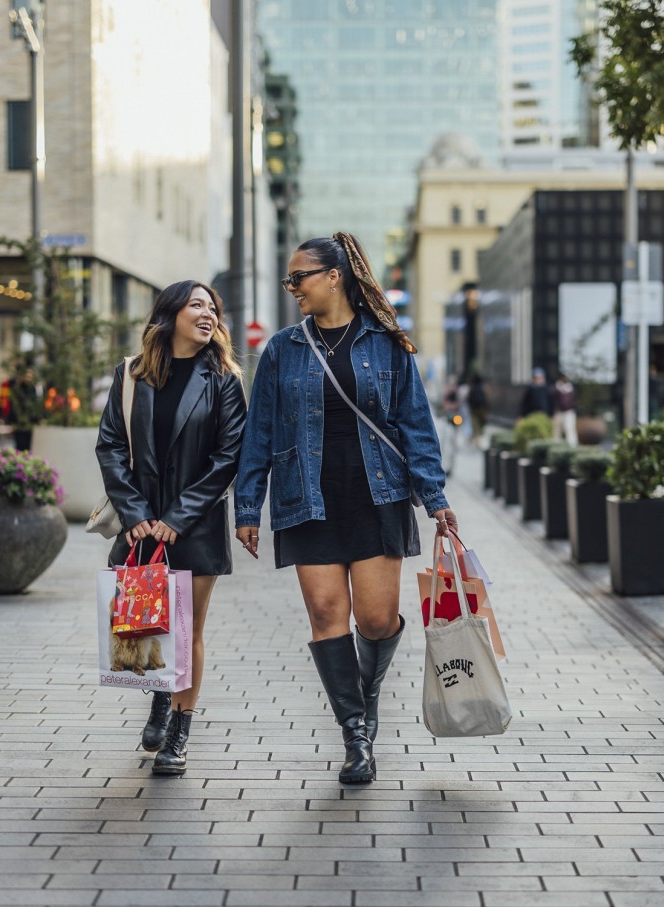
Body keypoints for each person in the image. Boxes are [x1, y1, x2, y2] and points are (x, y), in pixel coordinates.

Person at [234, 231, 456, 785]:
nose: (293, 289)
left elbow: (416, 427)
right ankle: (356, 734)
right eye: (289, 280)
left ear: (334, 276)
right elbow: (258, 432)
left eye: (299, 278)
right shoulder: (283, 349)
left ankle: (365, 690)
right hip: (305, 499)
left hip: (376, 496)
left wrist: (436, 500)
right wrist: (246, 506)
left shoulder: (386, 343)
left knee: (377, 620)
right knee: (326, 615)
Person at [95, 280, 247, 776]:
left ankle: (178, 731)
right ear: (170, 314)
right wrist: (138, 516)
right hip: (140, 526)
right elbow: (112, 446)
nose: (208, 313)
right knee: (150, 625)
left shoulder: (223, 378)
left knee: (187, 630)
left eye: (213, 308)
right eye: (196, 305)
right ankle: (159, 698)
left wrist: (177, 519)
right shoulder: (131, 376)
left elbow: (229, 457)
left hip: (195, 524)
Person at [552, 373, 578, 445]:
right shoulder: (556, 388)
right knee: (557, 431)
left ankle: (572, 445)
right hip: (559, 412)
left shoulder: (571, 389)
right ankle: (556, 445)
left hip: (569, 412)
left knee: (570, 429)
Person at [466, 372, 488, 446]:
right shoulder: (483, 388)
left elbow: (469, 399)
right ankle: (478, 438)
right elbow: (486, 400)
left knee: (475, 424)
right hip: (481, 408)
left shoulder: (472, 388)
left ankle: (476, 438)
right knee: (481, 423)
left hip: (474, 409)